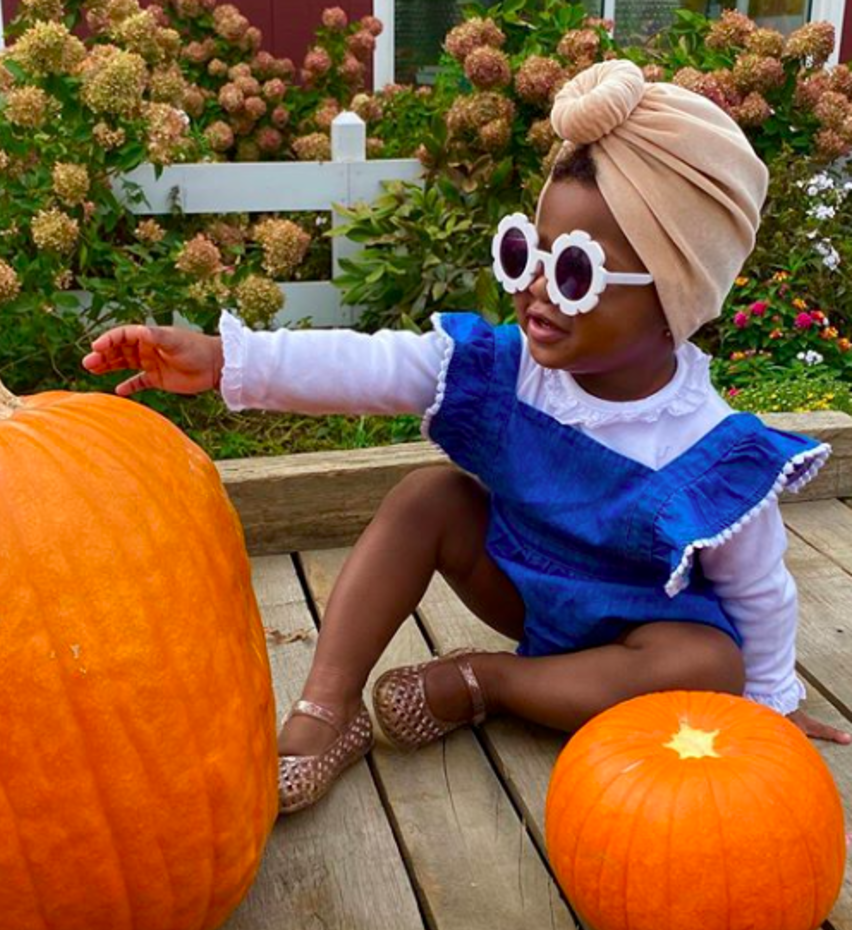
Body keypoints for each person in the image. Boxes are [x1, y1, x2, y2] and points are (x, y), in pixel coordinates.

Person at [83, 59, 850, 816]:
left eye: (576, 273)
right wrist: (226, 359)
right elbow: (372, 364)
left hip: (639, 637)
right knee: (430, 496)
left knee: (711, 663)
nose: (538, 290)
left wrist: (775, 703)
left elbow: (760, 590)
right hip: (524, 588)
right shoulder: (508, 368)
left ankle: (489, 681)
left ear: (672, 299)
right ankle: (326, 708)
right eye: (528, 253)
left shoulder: (709, 445)